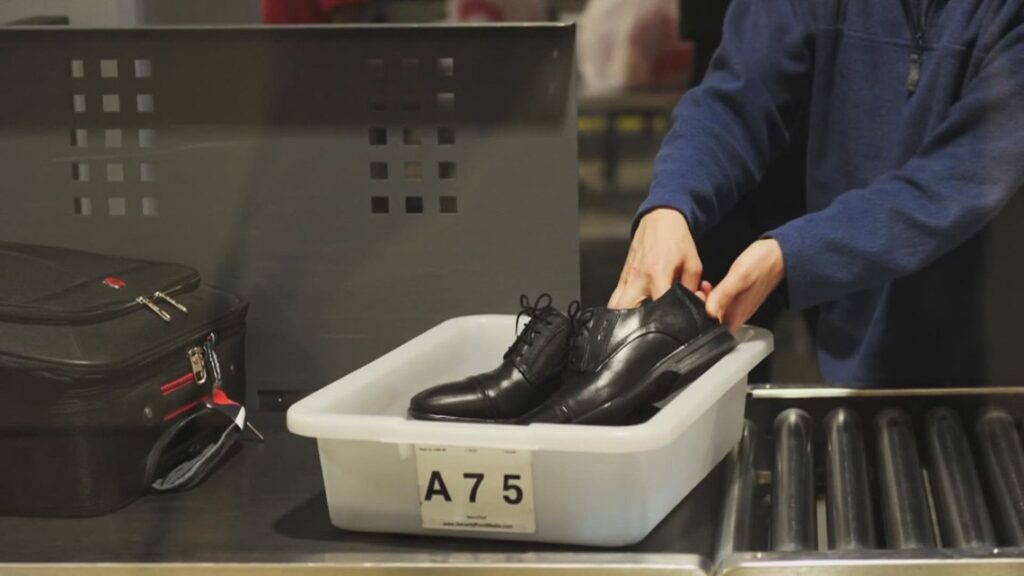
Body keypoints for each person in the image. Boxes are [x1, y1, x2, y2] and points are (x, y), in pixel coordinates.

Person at [609, 0, 1024, 385]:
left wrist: (792, 253)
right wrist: (669, 205)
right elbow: (738, 95)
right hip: (851, 334)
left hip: (988, 352)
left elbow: (958, 174)